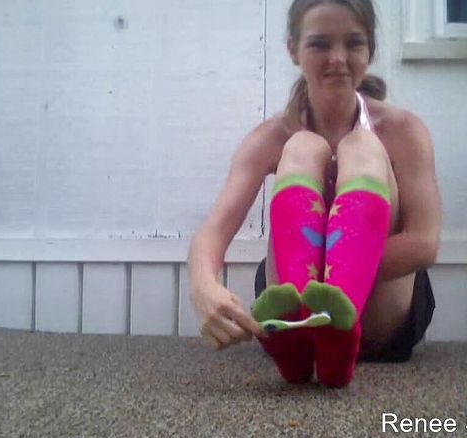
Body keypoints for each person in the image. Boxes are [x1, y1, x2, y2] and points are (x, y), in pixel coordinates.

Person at [187, 0, 441, 387]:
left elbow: (424, 244)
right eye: (320, 44)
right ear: (293, 49)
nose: (338, 58)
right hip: (294, 297)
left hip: (381, 317)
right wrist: (204, 287)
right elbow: (215, 228)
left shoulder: (402, 131)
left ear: (370, 49)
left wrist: (335, 264)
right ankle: (305, 327)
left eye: (353, 43)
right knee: (303, 147)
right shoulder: (271, 137)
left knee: (363, 148)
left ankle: (336, 320)